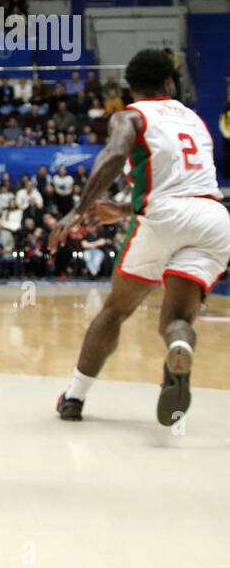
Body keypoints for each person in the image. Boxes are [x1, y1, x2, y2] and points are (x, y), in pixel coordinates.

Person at [50, 49, 230, 426]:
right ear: (169, 82)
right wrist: (120, 209)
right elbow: (184, 190)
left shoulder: (131, 115)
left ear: (130, 88)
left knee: (115, 311)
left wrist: (79, 210)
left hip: (163, 218)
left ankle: (74, 398)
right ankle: (179, 349)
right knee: (177, 319)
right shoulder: (196, 120)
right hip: (214, 219)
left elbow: (115, 155)